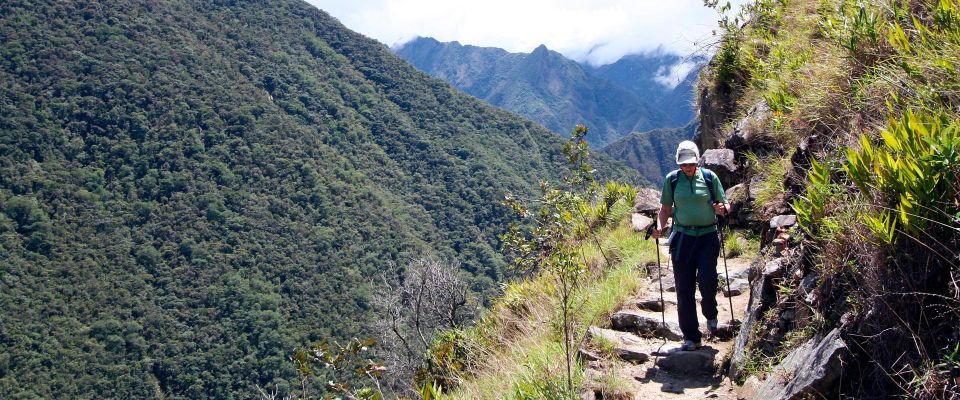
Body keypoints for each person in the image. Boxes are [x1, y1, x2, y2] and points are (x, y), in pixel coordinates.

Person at [651, 140, 730, 351]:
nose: (687, 167)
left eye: (691, 163)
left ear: (697, 161)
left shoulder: (709, 178)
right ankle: (691, 336)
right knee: (684, 288)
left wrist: (721, 208)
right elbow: (665, 209)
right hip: (683, 237)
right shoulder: (673, 180)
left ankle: (710, 313)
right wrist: (659, 227)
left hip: (707, 237)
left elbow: (725, 203)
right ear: (678, 164)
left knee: (707, 279)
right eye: (684, 164)